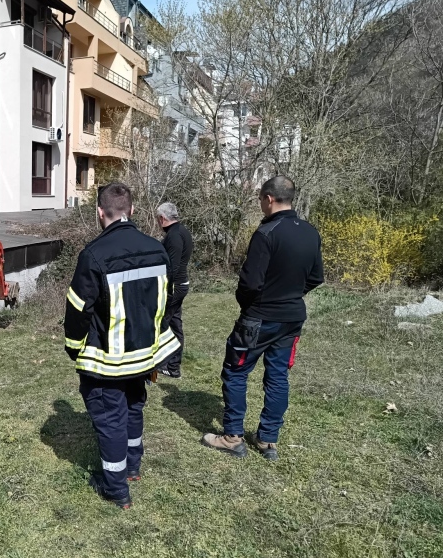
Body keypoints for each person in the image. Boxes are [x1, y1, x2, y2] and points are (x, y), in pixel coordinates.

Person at [64, 182, 180, 508]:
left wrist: (74, 348)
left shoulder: (93, 255)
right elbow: (165, 301)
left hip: (110, 361)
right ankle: (132, 466)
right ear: (131, 210)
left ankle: (115, 488)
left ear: (100, 213)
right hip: (146, 356)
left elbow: (77, 310)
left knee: (111, 418)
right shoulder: (157, 249)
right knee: (134, 408)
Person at [202, 176, 324, 460]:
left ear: (269, 199)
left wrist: (250, 306)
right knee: (278, 376)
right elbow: (316, 277)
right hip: (292, 319)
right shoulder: (310, 232)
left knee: (235, 372)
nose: (260, 204)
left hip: (259, 319)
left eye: (260, 199)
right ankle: (268, 440)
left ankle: (232, 436)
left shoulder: (266, 232)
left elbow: (249, 284)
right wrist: (292, 294)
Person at [156, 203, 193, 379]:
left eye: (158, 219)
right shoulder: (181, 231)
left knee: (161, 323)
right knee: (175, 325)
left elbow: (173, 266)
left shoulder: (174, 236)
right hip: (180, 285)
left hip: (174, 287)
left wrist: (165, 290)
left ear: (163, 218)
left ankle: (163, 364)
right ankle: (173, 367)